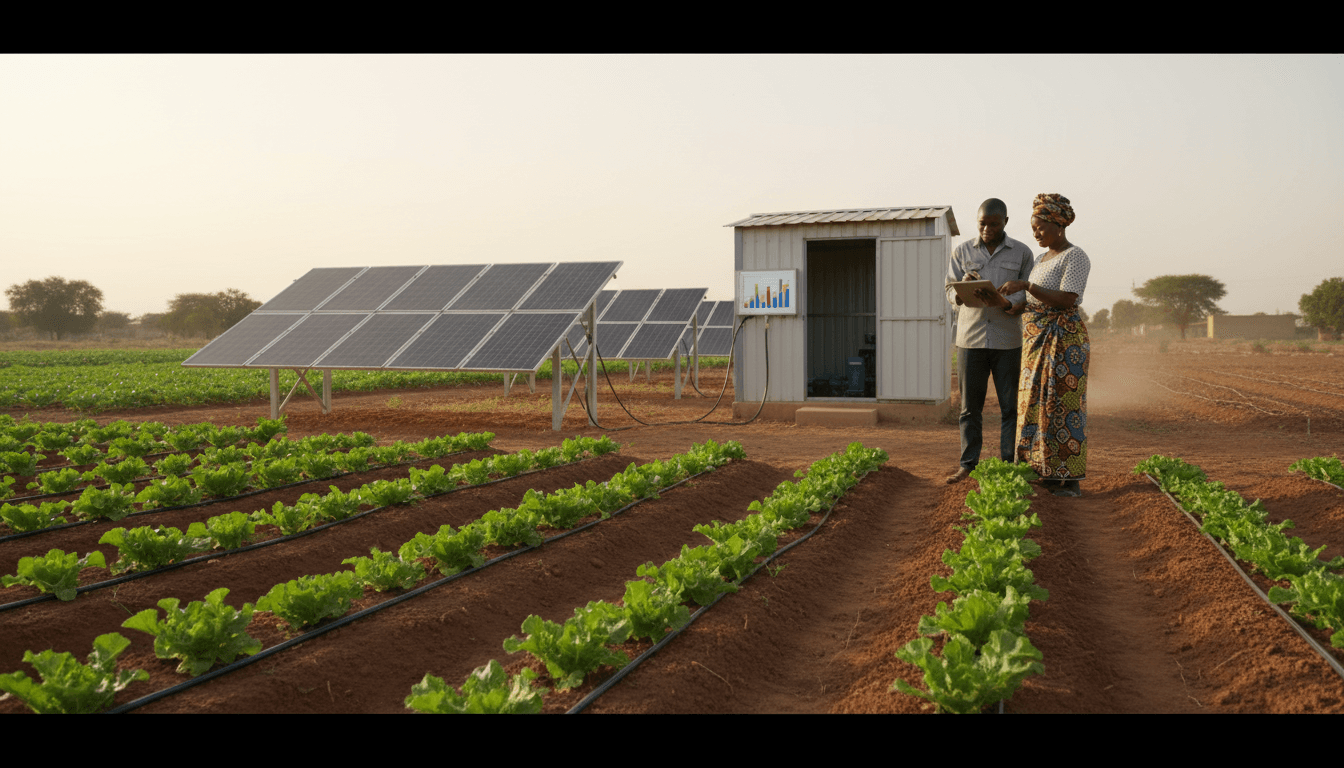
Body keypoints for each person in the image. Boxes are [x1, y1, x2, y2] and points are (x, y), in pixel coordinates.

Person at [994, 193, 1091, 497]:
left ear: (1058, 225)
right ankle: (1045, 473)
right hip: (1035, 340)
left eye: (1040, 227)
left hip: (1063, 341)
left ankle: (1070, 480)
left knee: (1061, 406)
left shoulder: (1075, 256)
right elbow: (1032, 301)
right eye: (1033, 228)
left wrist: (1026, 285)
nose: (1035, 233)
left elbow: (1066, 299)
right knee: (1034, 406)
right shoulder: (1041, 259)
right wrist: (999, 300)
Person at [943, 198, 1035, 484]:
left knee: (1010, 407)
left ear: (1005, 222)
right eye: (982, 223)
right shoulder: (962, 252)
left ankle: (1008, 465)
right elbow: (950, 290)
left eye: (993, 224)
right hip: (970, 341)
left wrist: (1003, 301)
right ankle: (968, 464)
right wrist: (963, 289)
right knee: (969, 409)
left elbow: (1027, 295)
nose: (986, 229)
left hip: (1007, 341)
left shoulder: (1022, 253)